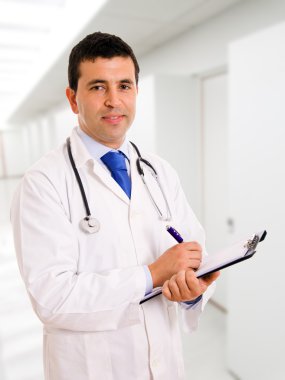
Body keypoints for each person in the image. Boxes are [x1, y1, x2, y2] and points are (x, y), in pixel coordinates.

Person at [11, 32, 219, 380]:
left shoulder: (158, 171)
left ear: (136, 91)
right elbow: (52, 298)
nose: (113, 100)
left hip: (164, 365)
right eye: (97, 87)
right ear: (73, 99)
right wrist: (152, 274)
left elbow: (193, 250)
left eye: (124, 85)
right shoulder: (42, 183)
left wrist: (193, 290)